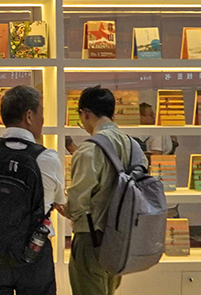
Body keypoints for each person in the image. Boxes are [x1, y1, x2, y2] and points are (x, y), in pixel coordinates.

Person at [0, 85, 65, 295]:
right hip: (33, 251)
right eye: (41, 113)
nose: (43, 119)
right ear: (29, 116)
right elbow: (58, 200)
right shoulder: (47, 157)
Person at [65, 86, 146, 295]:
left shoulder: (89, 149)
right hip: (120, 238)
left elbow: (77, 204)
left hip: (91, 237)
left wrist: (63, 206)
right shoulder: (133, 146)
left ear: (85, 113)